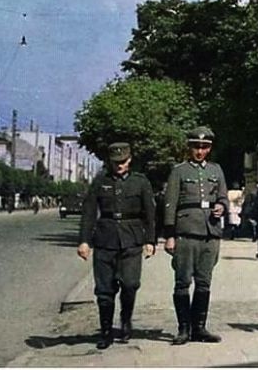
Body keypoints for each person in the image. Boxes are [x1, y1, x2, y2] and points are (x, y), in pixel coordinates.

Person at [77, 142, 156, 350]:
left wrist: (150, 240)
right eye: (115, 162)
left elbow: (149, 213)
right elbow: (89, 212)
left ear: (130, 160)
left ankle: (126, 318)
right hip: (105, 239)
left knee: (130, 284)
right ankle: (105, 332)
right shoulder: (100, 181)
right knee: (104, 289)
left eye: (123, 162)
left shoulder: (141, 182)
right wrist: (84, 241)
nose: (119, 165)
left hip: (131, 239)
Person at [163, 126, 229, 345]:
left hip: (210, 232)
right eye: (196, 147)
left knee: (204, 282)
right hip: (186, 232)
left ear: (209, 149)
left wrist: (221, 206)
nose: (200, 151)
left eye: (204, 147)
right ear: (189, 147)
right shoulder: (179, 171)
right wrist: (169, 235)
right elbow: (170, 204)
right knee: (182, 282)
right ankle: (184, 329)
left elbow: (223, 196)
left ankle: (199, 328)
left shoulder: (217, 170)